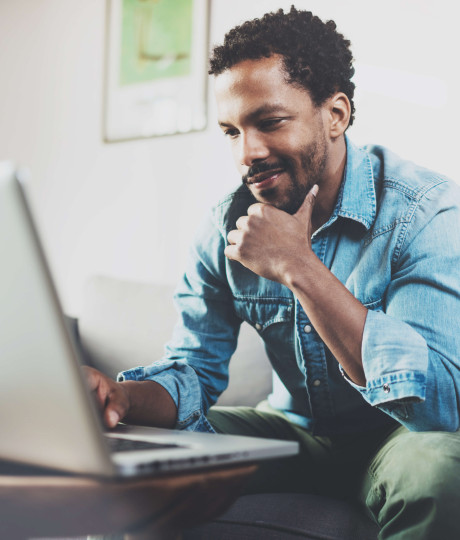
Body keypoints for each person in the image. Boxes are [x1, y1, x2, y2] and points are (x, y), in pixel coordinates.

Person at [85, 7, 460, 538]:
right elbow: (194, 369)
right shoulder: (225, 226)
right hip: (293, 431)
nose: (248, 153)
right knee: (126, 451)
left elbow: (441, 404)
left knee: (444, 472)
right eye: (231, 131)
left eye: (270, 122)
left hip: (400, 435)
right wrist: (121, 399)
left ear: (335, 114)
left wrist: (298, 265)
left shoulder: (424, 212)